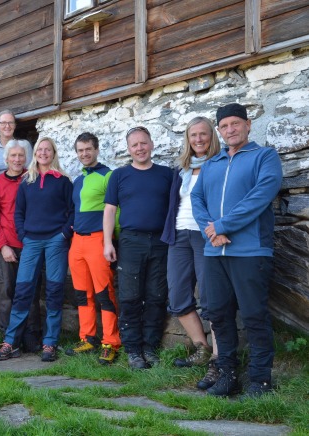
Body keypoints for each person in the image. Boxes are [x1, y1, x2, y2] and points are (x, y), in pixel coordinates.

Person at [191, 103, 282, 397]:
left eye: (235, 124)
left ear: (247, 124)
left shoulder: (264, 157)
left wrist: (223, 225)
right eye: (225, 126)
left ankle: (260, 380)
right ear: (220, 130)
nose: (230, 130)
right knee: (218, 314)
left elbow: (261, 195)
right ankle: (228, 375)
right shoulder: (211, 165)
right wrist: (211, 229)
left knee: (254, 316)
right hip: (214, 252)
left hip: (251, 251)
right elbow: (197, 199)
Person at [0, 137, 74, 362]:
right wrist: (23, 235)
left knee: (54, 291)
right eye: (40, 149)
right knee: (23, 291)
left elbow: (72, 211)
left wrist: (64, 234)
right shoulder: (26, 182)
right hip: (32, 242)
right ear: (35, 153)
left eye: (48, 149)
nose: (44, 153)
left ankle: (50, 344)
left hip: (56, 241)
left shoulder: (64, 181)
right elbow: (18, 213)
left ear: (54, 153)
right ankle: (10, 341)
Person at [103, 126, 173, 370]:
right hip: (131, 241)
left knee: (156, 296)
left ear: (152, 144)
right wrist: (107, 242)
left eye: (144, 143)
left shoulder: (167, 174)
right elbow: (110, 210)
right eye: (135, 145)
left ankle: (150, 348)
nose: (140, 148)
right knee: (130, 297)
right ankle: (133, 350)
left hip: (161, 243)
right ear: (129, 149)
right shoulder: (119, 176)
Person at [162, 117, 221, 388]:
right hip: (178, 236)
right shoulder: (181, 169)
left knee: (212, 298)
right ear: (187, 139)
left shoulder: (220, 165)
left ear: (212, 136)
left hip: (205, 236)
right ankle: (202, 348)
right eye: (193, 135)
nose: (198, 139)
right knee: (177, 296)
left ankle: (219, 361)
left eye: (203, 134)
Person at [66, 132, 121, 365]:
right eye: (80, 150)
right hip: (77, 241)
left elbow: (116, 212)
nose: (84, 154)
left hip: (98, 240)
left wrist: (113, 241)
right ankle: (87, 337)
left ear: (97, 150)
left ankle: (111, 342)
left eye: (88, 149)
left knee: (104, 293)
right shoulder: (78, 180)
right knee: (81, 293)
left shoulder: (109, 176)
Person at [0, 139, 41, 350]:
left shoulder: (33, 180)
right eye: (13, 156)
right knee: (7, 291)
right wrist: (2, 246)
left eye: (20, 156)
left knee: (31, 292)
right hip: (6, 245)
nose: (17, 159)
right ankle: (9, 338)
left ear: (26, 158)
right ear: (6, 158)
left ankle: (31, 336)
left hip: (31, 244)